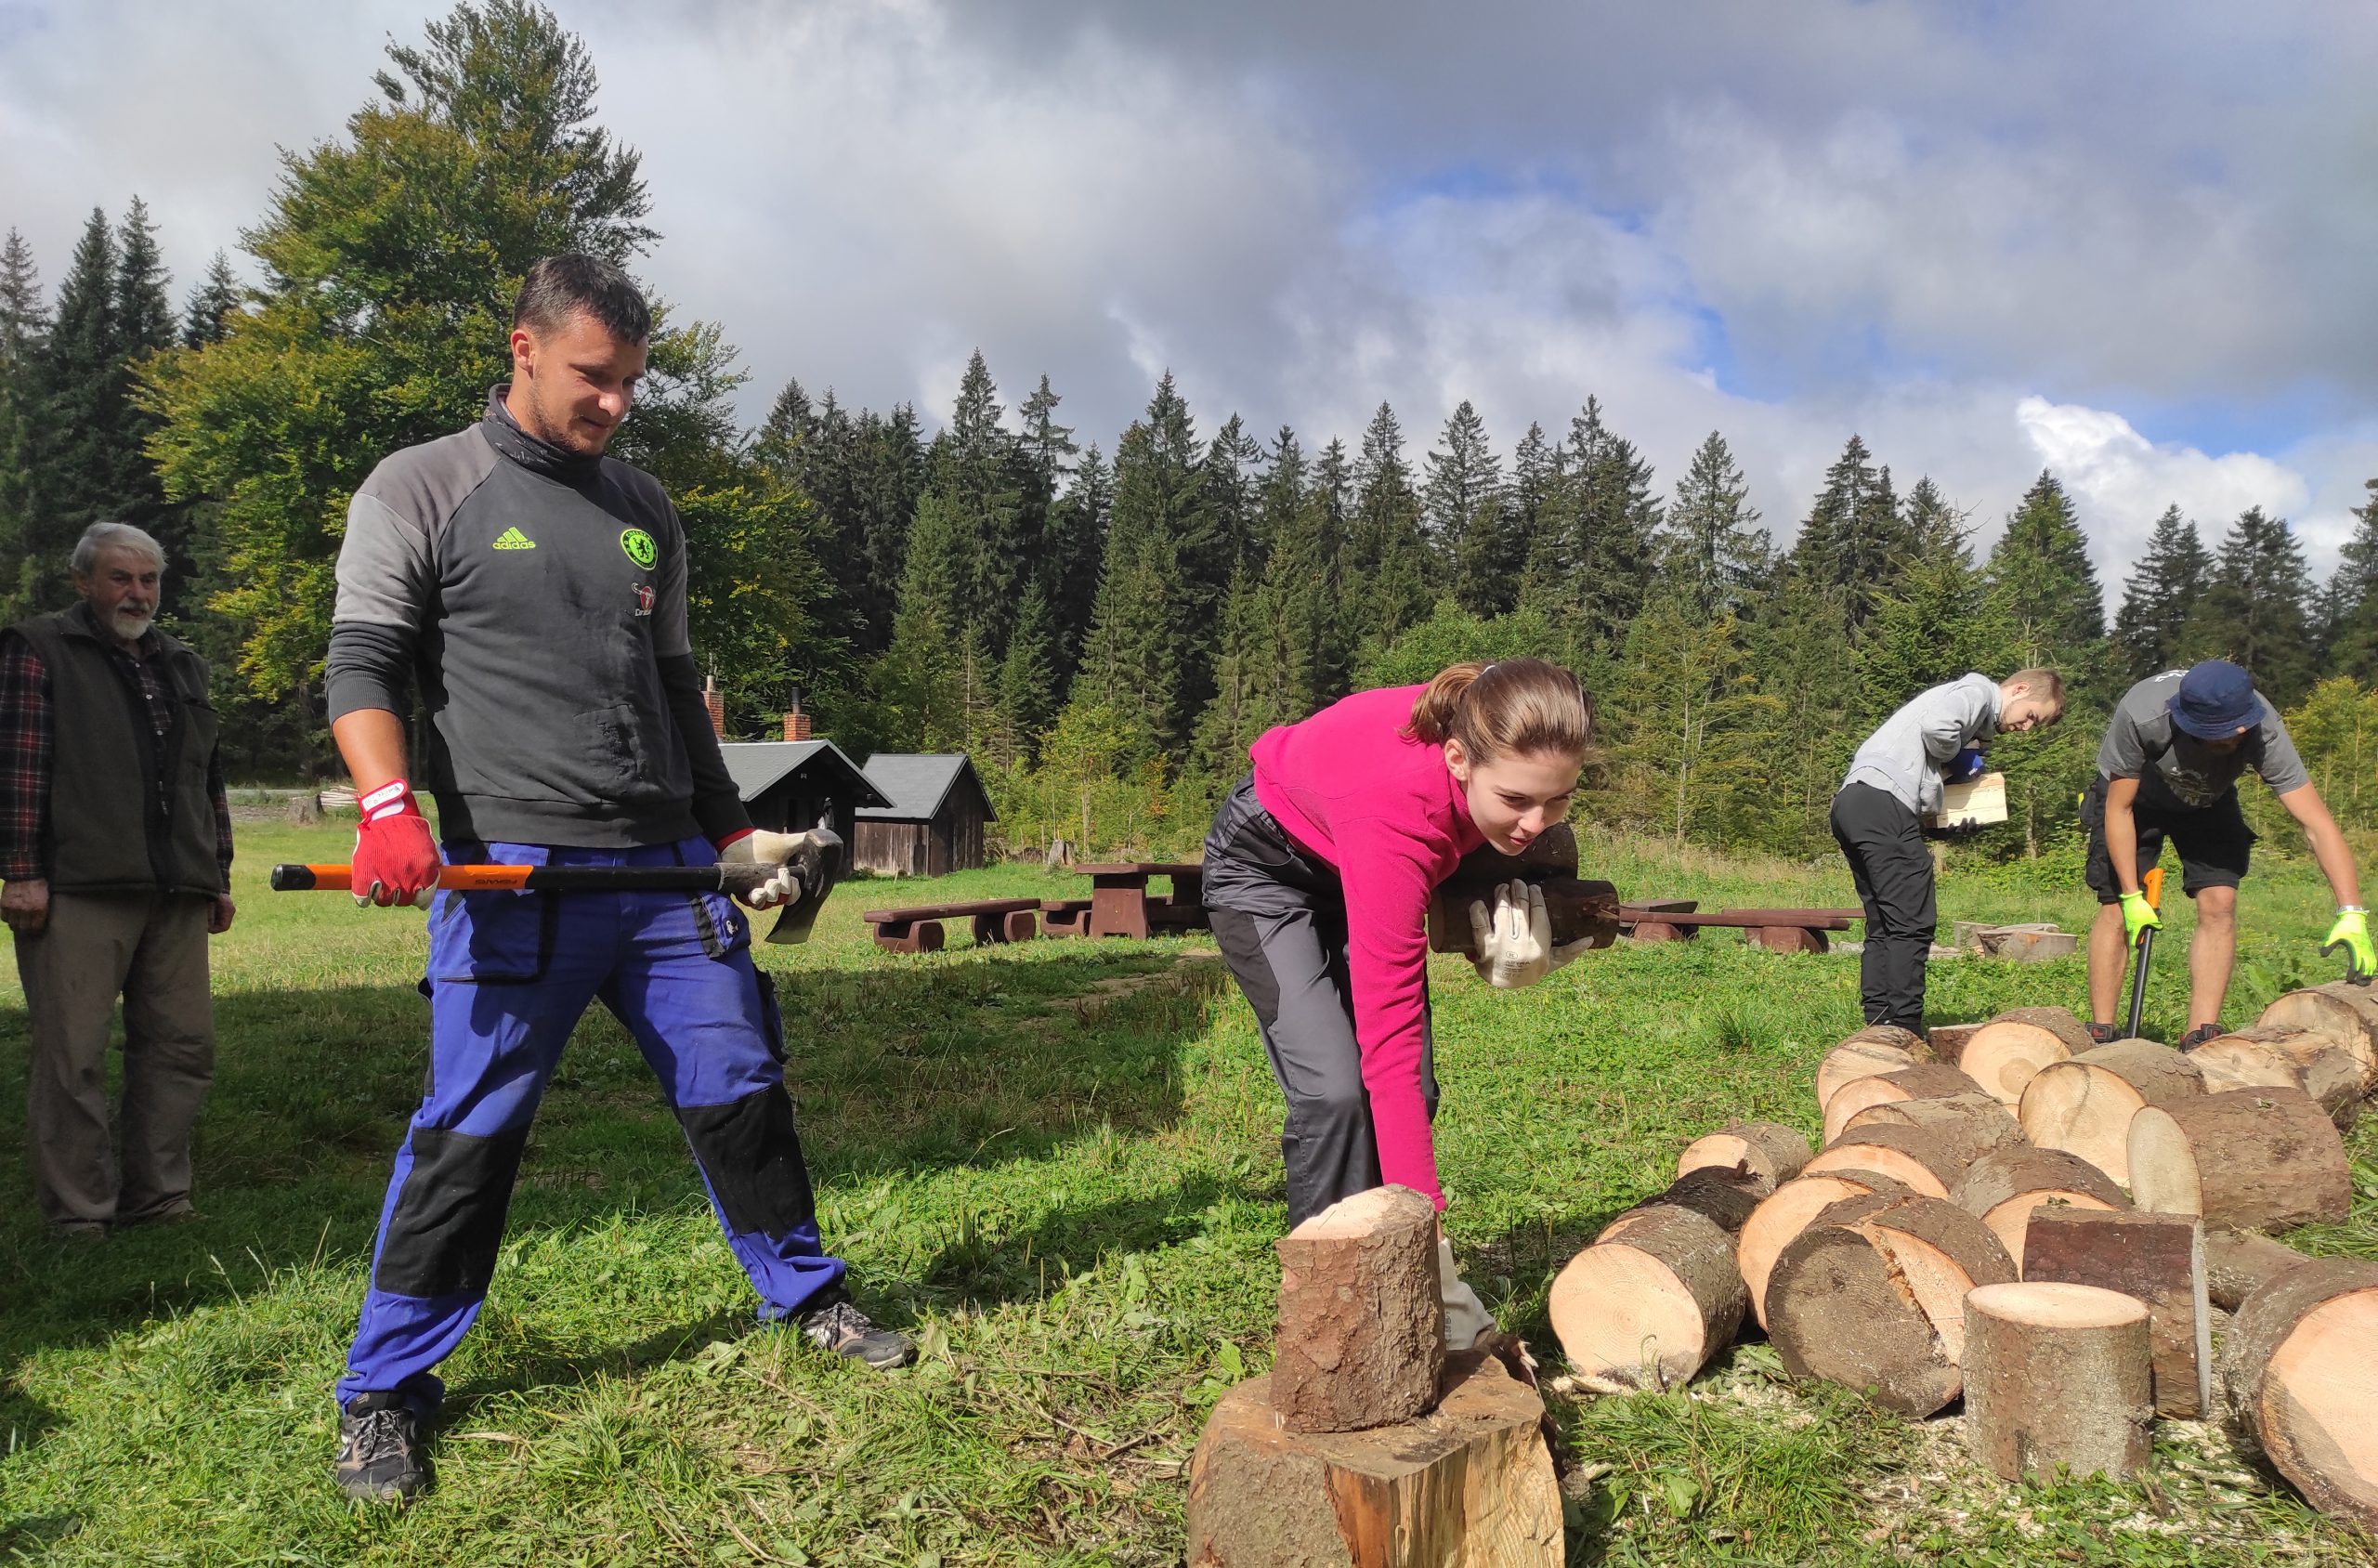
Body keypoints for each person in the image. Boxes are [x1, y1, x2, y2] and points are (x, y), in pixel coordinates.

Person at [320, 255, 911, 1505]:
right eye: (595, 377)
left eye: (633, 381)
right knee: (470, 1131)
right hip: (514, 872)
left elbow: (678, 696)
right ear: (525, 348)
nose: (616, 405)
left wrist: (730, 839)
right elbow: (364, 663)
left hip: (659, 874)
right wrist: (385, 805)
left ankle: (806, 1298)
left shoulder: (644, 506)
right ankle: (383, 1392)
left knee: (741, 1086)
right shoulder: (423, 487)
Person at [1202, 660, 1595, 1349]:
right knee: (1335, 1094)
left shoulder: (1496, 727)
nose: (1536, 822)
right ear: (1457, 759)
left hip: (1356, 853)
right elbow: (1390, 1039)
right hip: (1267, 871)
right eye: (1516, 801)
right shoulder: (1397, 812)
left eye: (1557, 800)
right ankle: (1334, 1318)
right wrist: (1437, 1247)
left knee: (1414, 1092)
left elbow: (1522, 846)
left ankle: (1394, 1279)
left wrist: (1519, 927)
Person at [0, 522, 234, 1238]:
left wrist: (216, 872)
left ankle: (159, 1197)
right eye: (120, 578)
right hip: (77, 887)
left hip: (177, 889)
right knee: (72, 1055)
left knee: (182, 1046)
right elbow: (18, 769)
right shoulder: (38, 649)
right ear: (82, 582)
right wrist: (20, 873)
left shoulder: (183, 663)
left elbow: (208, 777)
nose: (137, 593)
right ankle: (80, 1212)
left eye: (148, 579)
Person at [2084, 660, 2371, 1049]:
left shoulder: (2263, 727)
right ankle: (2103, 1032)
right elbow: (2119, 810)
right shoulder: (2143, 713)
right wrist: (2133, 895)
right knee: (2116, 907)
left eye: (2239, 729)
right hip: (2136, 799)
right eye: (2220, 735)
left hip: (2208, 800)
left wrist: (2351, 911)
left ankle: (2202, 1035)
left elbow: (2316, 822)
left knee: (2220, 900)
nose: (2235, 737)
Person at [1831, 670, 2065, 1033]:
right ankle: (1904, 1028)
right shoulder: (1976, 693)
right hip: (1882, 803)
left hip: (1854, 802)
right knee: (1912, 923)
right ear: (2019, 689)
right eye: (2032, 715)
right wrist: (1959, 759)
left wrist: (1951, 821)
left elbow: (1913, 774)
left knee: (1884, 924)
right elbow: (1939, 729)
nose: (2026, 728)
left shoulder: (1965, 709)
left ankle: (1877, 1025)